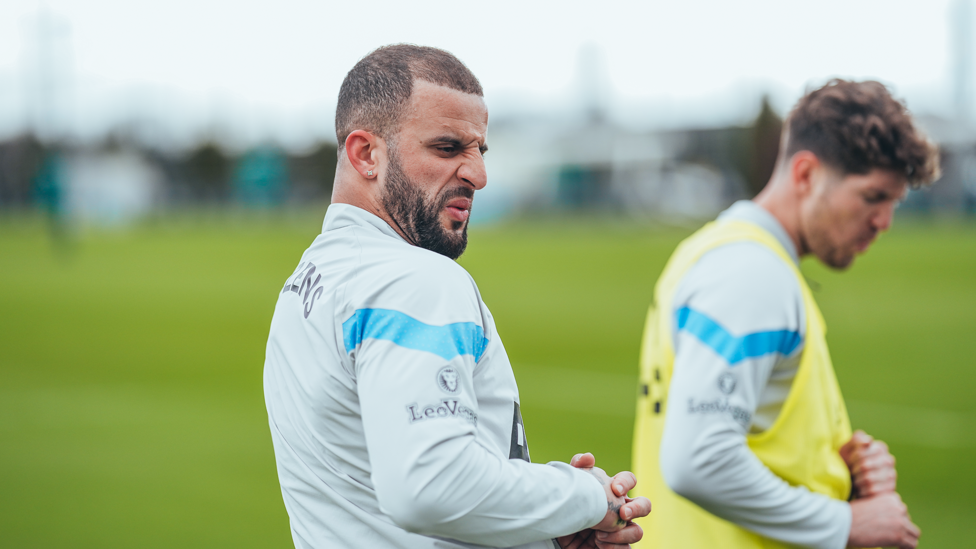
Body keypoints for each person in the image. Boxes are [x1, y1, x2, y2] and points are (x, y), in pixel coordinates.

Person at [263, 44, 651, 549]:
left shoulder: (310, 279)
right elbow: (428, 486)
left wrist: (546, 530)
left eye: (480, 151)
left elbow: (377, 501)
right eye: (448, 149)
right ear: (365, 154)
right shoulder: (414, 278)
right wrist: (584, 496)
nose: (478, 175)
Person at [630, 80, 940, 549]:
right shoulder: (753, 272)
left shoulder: (718, 251)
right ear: (806, 174)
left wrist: (840, 469)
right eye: (873, 196)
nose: (884, 221)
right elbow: (698, 459)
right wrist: (844, 524)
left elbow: (756, 435)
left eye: (894, 202)